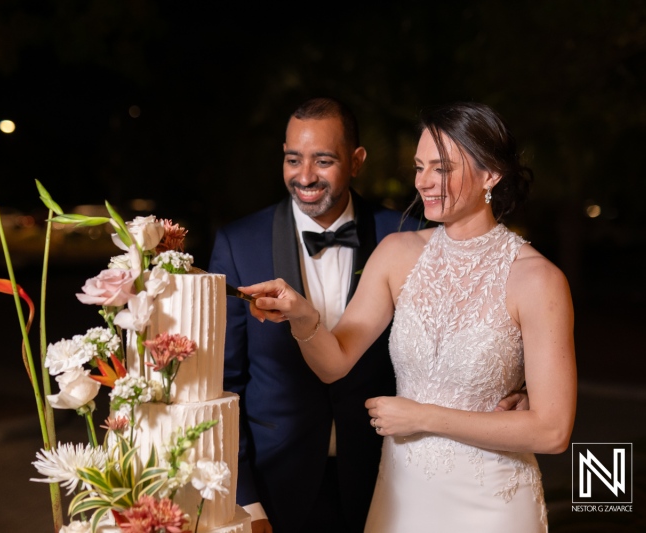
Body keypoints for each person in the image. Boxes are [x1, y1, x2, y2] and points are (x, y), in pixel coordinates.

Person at [242, 101, 576, 532]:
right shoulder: (397, 254)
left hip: (492, 503)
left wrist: (422, 417)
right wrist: (304, 318)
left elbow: (552, 431)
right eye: (419, 168)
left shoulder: (538, 280)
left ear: (490, 174)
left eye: (441, 168)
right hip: (402, 498)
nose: (424, 183)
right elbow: (333, 364)